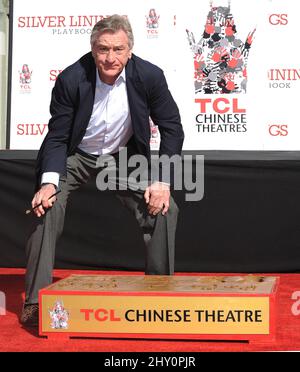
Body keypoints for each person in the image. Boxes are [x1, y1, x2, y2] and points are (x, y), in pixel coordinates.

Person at [20, 15, 184, 327]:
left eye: (118, 49)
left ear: (130, 50)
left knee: (165, 208)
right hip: (75, 155)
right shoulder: (71, 78)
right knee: (46, 210)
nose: (110, 58)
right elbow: (56, 136)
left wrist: (162, 181)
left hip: (122, 157)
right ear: (93, 50)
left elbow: (172, 129)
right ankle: (34, 302)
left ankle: (159, 297)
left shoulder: (150, 76)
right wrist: (49, 183)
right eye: (103, 49)